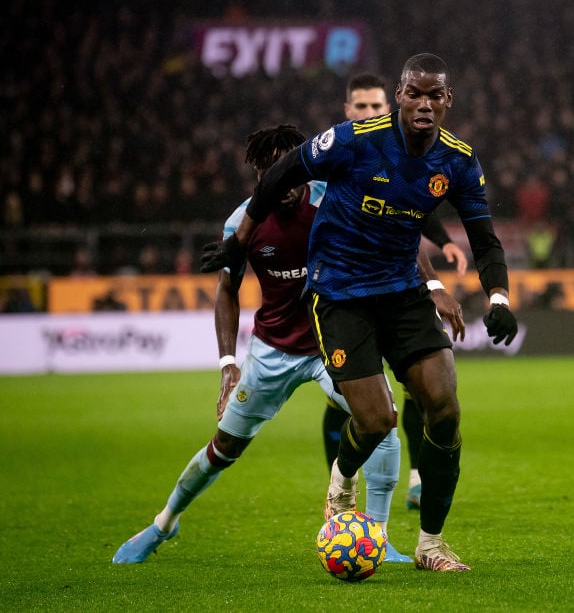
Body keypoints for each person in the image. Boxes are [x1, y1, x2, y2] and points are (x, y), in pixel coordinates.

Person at [200, 53, 518, 572]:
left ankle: (431, 544)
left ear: (447, 102)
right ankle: (343, 479)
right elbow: (283, 170)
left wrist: (499, 297)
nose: (423, 103)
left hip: (401, 290)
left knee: (445, 407)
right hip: (341, 292)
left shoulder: (458, 161)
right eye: (414, 92)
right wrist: (238, 243)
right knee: (377, 420)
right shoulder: (355, 140)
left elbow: (485, 240)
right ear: (399, 94)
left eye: (434, 95)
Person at [112, 125, 464, 565]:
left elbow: (393, 236)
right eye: (270, 172)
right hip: (272, 350)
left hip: (330, 343)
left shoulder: (333, 199)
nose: (285, 183)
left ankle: (378, 536)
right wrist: (228, 363)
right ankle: (164, 522)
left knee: (382, 422)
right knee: (224, 448)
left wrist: (431, 282)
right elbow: (226, 291)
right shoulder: (243, 222)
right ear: (261, 177)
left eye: (289, 168)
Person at [320, 71, 469, 515]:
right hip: (338, 292)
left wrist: (440, 247)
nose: (369, 113)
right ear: (348, 110)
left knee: (414, 392)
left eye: (375, 106)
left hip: (392, 290)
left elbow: (410, 211)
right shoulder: (341, 157)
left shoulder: (401, 156)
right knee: (350, 400)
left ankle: (417, 478)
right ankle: (341, 487)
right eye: (360, 106)